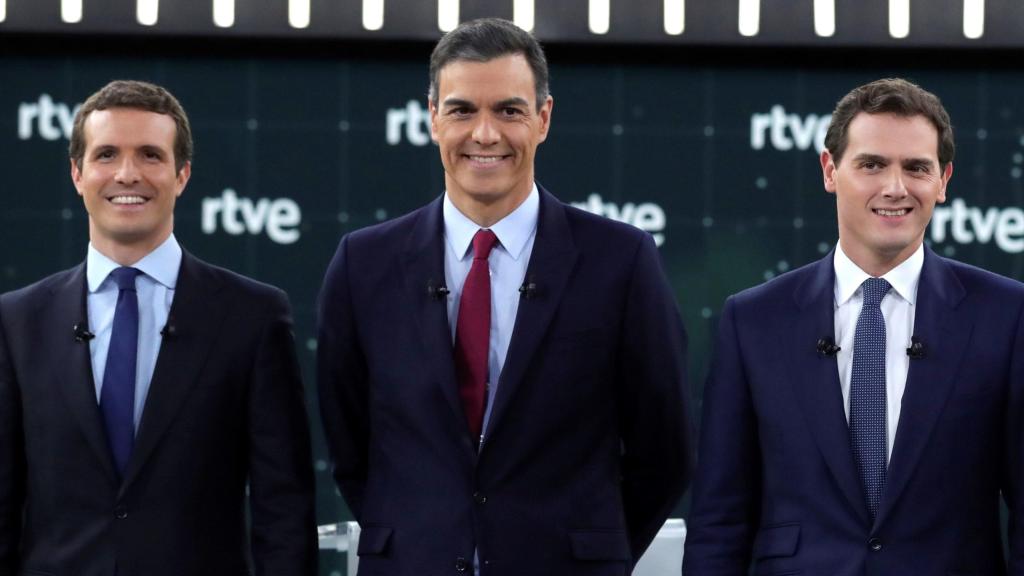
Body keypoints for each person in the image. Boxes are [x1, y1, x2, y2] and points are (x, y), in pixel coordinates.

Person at [317, 17, 692, 575]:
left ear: (542, 119)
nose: (485, 134)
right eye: (463, 109)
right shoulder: (363, 264)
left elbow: (663, 450)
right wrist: (422, 538)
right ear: (432, 119)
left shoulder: (621, 260)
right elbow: (351, 445)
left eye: (509, 110)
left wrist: (588, 551)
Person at [683, 77, 1024, 574]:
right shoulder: (754, 321)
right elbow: (719, 518)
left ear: (944, 180)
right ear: (830, 170)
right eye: (871, 164)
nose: (895, 187)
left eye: (916, 168)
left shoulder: (1007, 315)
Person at [0, 80, 317, 575]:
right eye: (106, 155)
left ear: (182, 174)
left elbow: (285, 509)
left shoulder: (252, 317)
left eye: (150, 155)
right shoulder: (17, 322)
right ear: (77, 174)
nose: (128, 174)